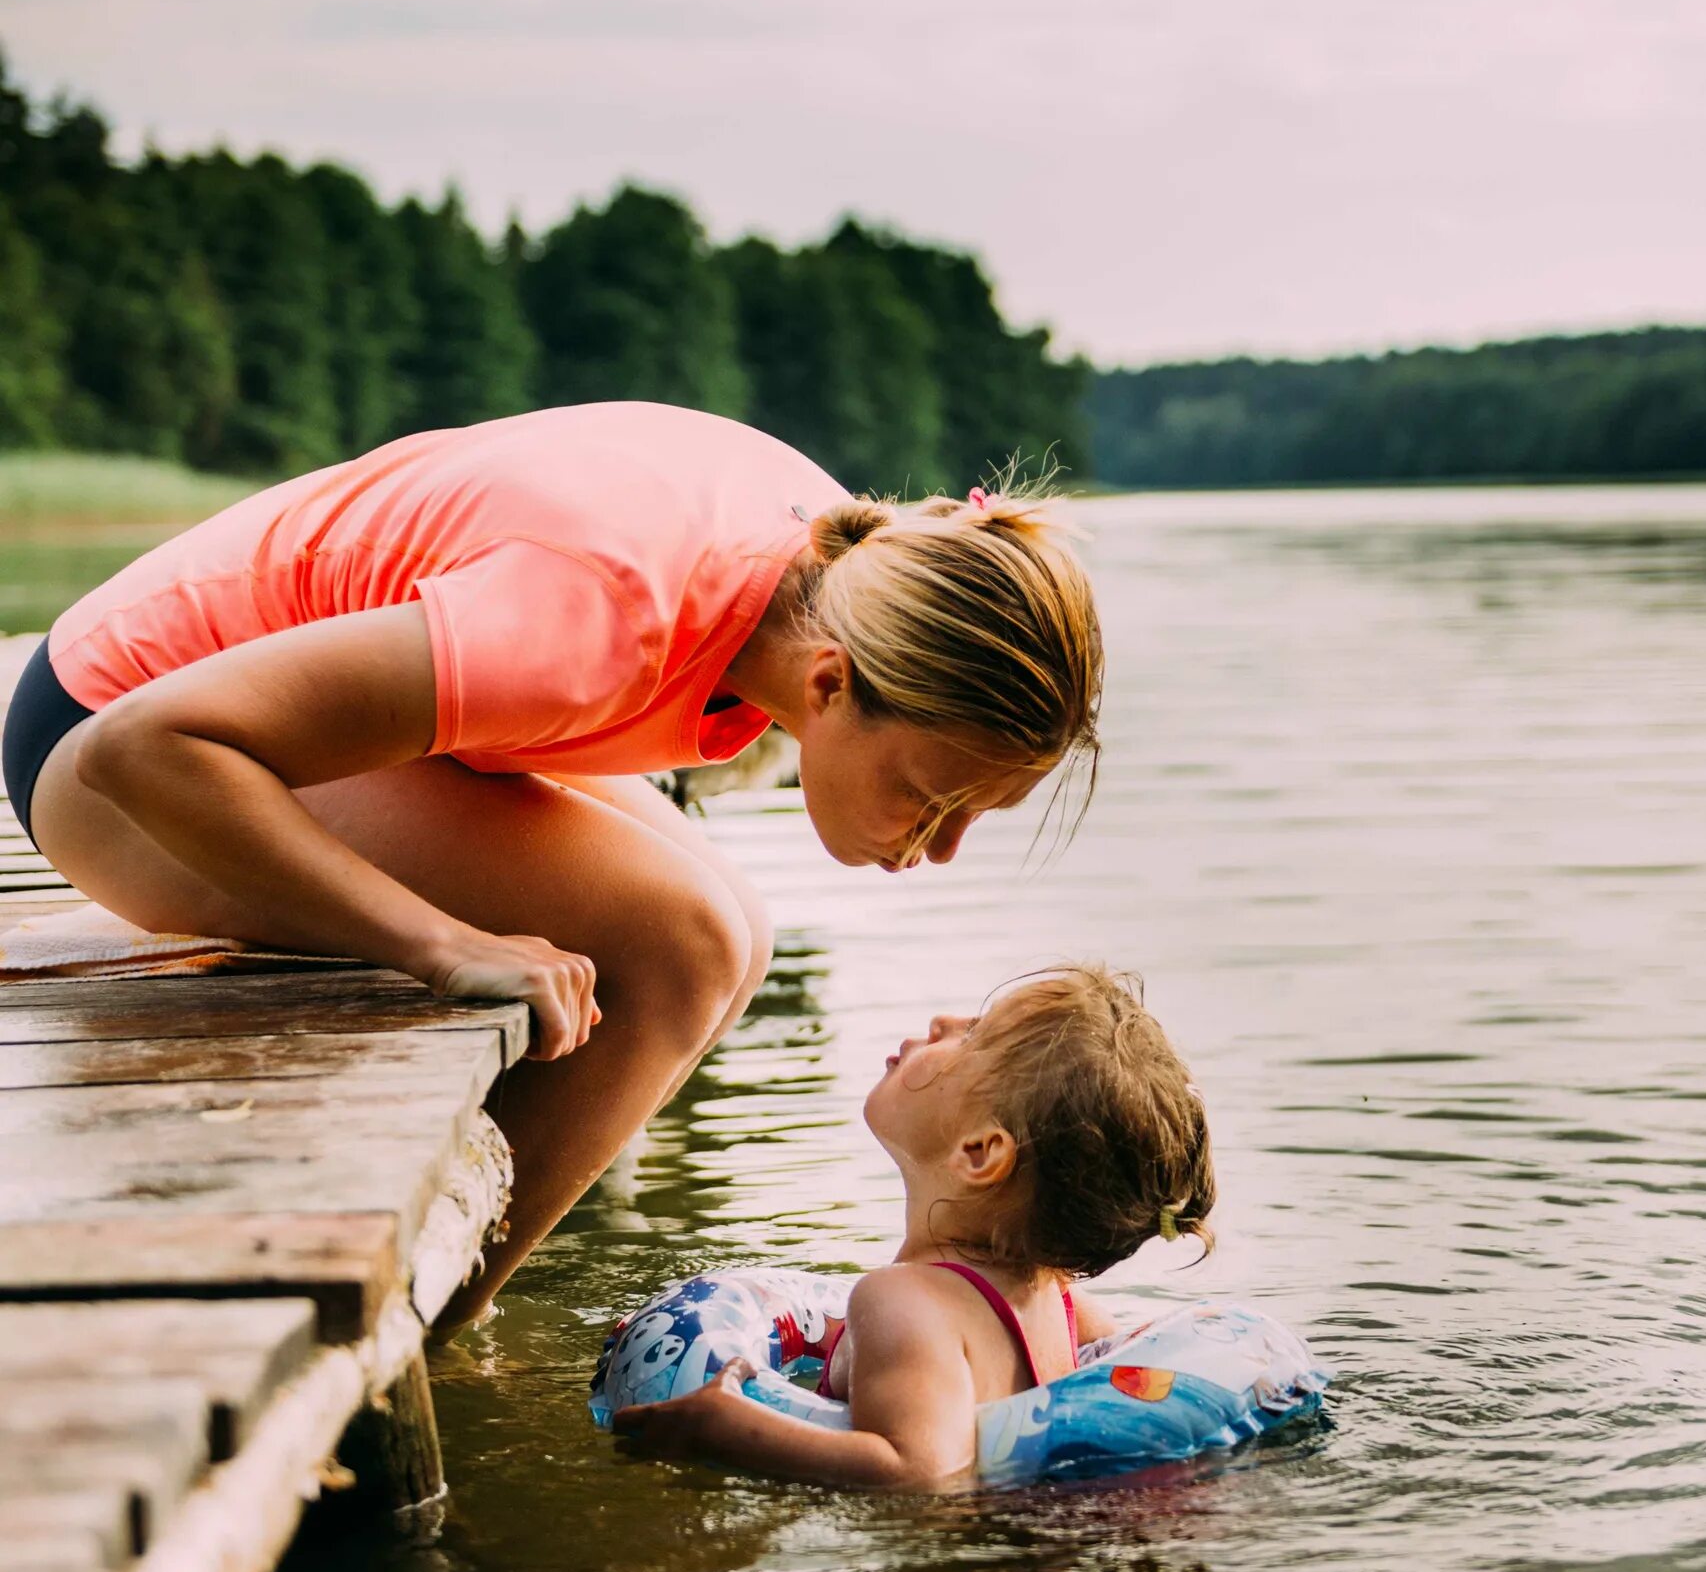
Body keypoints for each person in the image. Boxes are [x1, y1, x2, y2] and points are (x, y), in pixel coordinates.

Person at [2, 404, 1102, 1318]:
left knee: (736, 929)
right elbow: (144, 747)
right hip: (109, 759)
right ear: (827, 686)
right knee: (685, 943)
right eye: (930, 797)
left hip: (236, 722)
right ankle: (422, 1329)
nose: (941, 848)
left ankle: (463, 1296)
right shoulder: (597, 621)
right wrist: (435, 945)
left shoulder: (834, 566)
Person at [612, 964, 1216, 1488]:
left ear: (980, 1153)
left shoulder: (900, 1300)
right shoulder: (1062, 1305)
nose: (944, 1021)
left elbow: (918, 1470)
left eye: (976, 1033)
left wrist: (722, 1426)